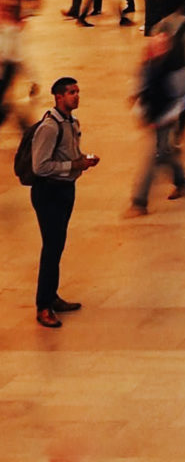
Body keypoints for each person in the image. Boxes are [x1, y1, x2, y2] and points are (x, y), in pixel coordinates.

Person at [28, 76, 98, 328]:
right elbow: (40, 166)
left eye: (78, 91)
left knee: (57, 246)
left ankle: (52, 296)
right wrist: (74, 164)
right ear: (58, 97)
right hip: (48, 193)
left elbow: (69, 154)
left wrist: (83, 161)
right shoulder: (49, 127)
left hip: (66, 189)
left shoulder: (72, 122)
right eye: (71, 92)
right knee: (51, 247)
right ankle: (43, 307)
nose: (76, 96)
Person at [127, 15, 185, 215]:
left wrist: (166, 118)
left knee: (154, 158)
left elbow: (182, 97)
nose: (155, 46)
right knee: (167, 152)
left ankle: (139, 202)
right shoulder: (149, 63)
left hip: (165, 118)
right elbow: (142, 86)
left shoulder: (174, 70)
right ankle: (181, 182)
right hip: (154, 115)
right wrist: (137, 102)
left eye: (161, 43)